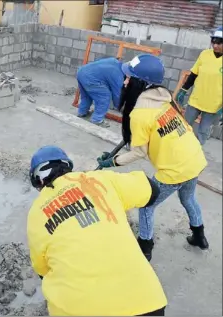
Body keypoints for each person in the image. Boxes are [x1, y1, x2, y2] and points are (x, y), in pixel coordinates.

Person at [27, 145, 167, 316]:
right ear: (67, 167)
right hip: (145, 303)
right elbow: (153, 190)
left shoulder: (36, 214)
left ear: (37, 181)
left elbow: (42, 270)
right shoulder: (99, 179)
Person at [97, 54, 209, 261]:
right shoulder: (165, 96)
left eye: (129, 77)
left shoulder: (140, 114)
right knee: (188, 197)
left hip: (175, 169)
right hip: (194, 158)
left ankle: (144, 249)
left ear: (141, 82)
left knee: (146, 206)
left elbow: (139, 152)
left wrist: (112, 161)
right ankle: (200, 236)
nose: (125, 81)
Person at [176, 26, 222, 145]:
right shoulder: (204, 54)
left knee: (203, 132)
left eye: (220, 42)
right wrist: (183, 89)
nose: (215, 45)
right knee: (184, 126)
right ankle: (176, 147)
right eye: (214, 41)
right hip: (196, 100)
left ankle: (196, 154)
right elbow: (194, 74)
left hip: (214, 105)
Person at [76, 57, 124, 127]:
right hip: (90, 78)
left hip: (81, 71)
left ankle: (82, 112)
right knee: (104, 97)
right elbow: (117, 95)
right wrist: (121, 108)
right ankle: (97, 120)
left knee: (86, 96)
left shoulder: (114, 61)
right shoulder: (118, 75)